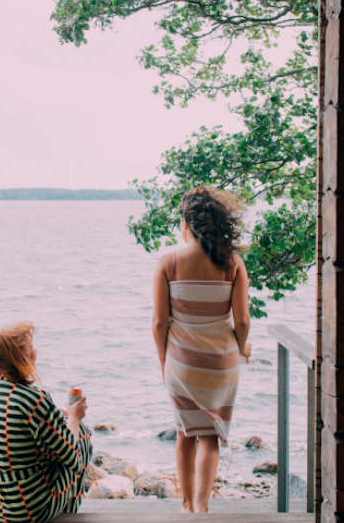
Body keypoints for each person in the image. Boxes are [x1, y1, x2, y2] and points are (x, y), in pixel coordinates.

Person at [152, 186, 252, 513]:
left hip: (181, 364)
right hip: (222, 365)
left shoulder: (168, 263)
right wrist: (241, 349)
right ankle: (203, 506)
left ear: (186, 224)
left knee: (185, 434)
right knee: (210, 437)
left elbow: (159, 323)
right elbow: (243, 321)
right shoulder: (232, 263)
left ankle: (186, 505)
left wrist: (164, 361)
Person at [0, 322, 92, 523]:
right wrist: (74, 417)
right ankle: (68, 517)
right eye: (31, 348)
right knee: (82, 436)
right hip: (27, 509)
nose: (36, 352)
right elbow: (72, 456)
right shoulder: (35, 399)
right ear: (20, 359)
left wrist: (55, 416)